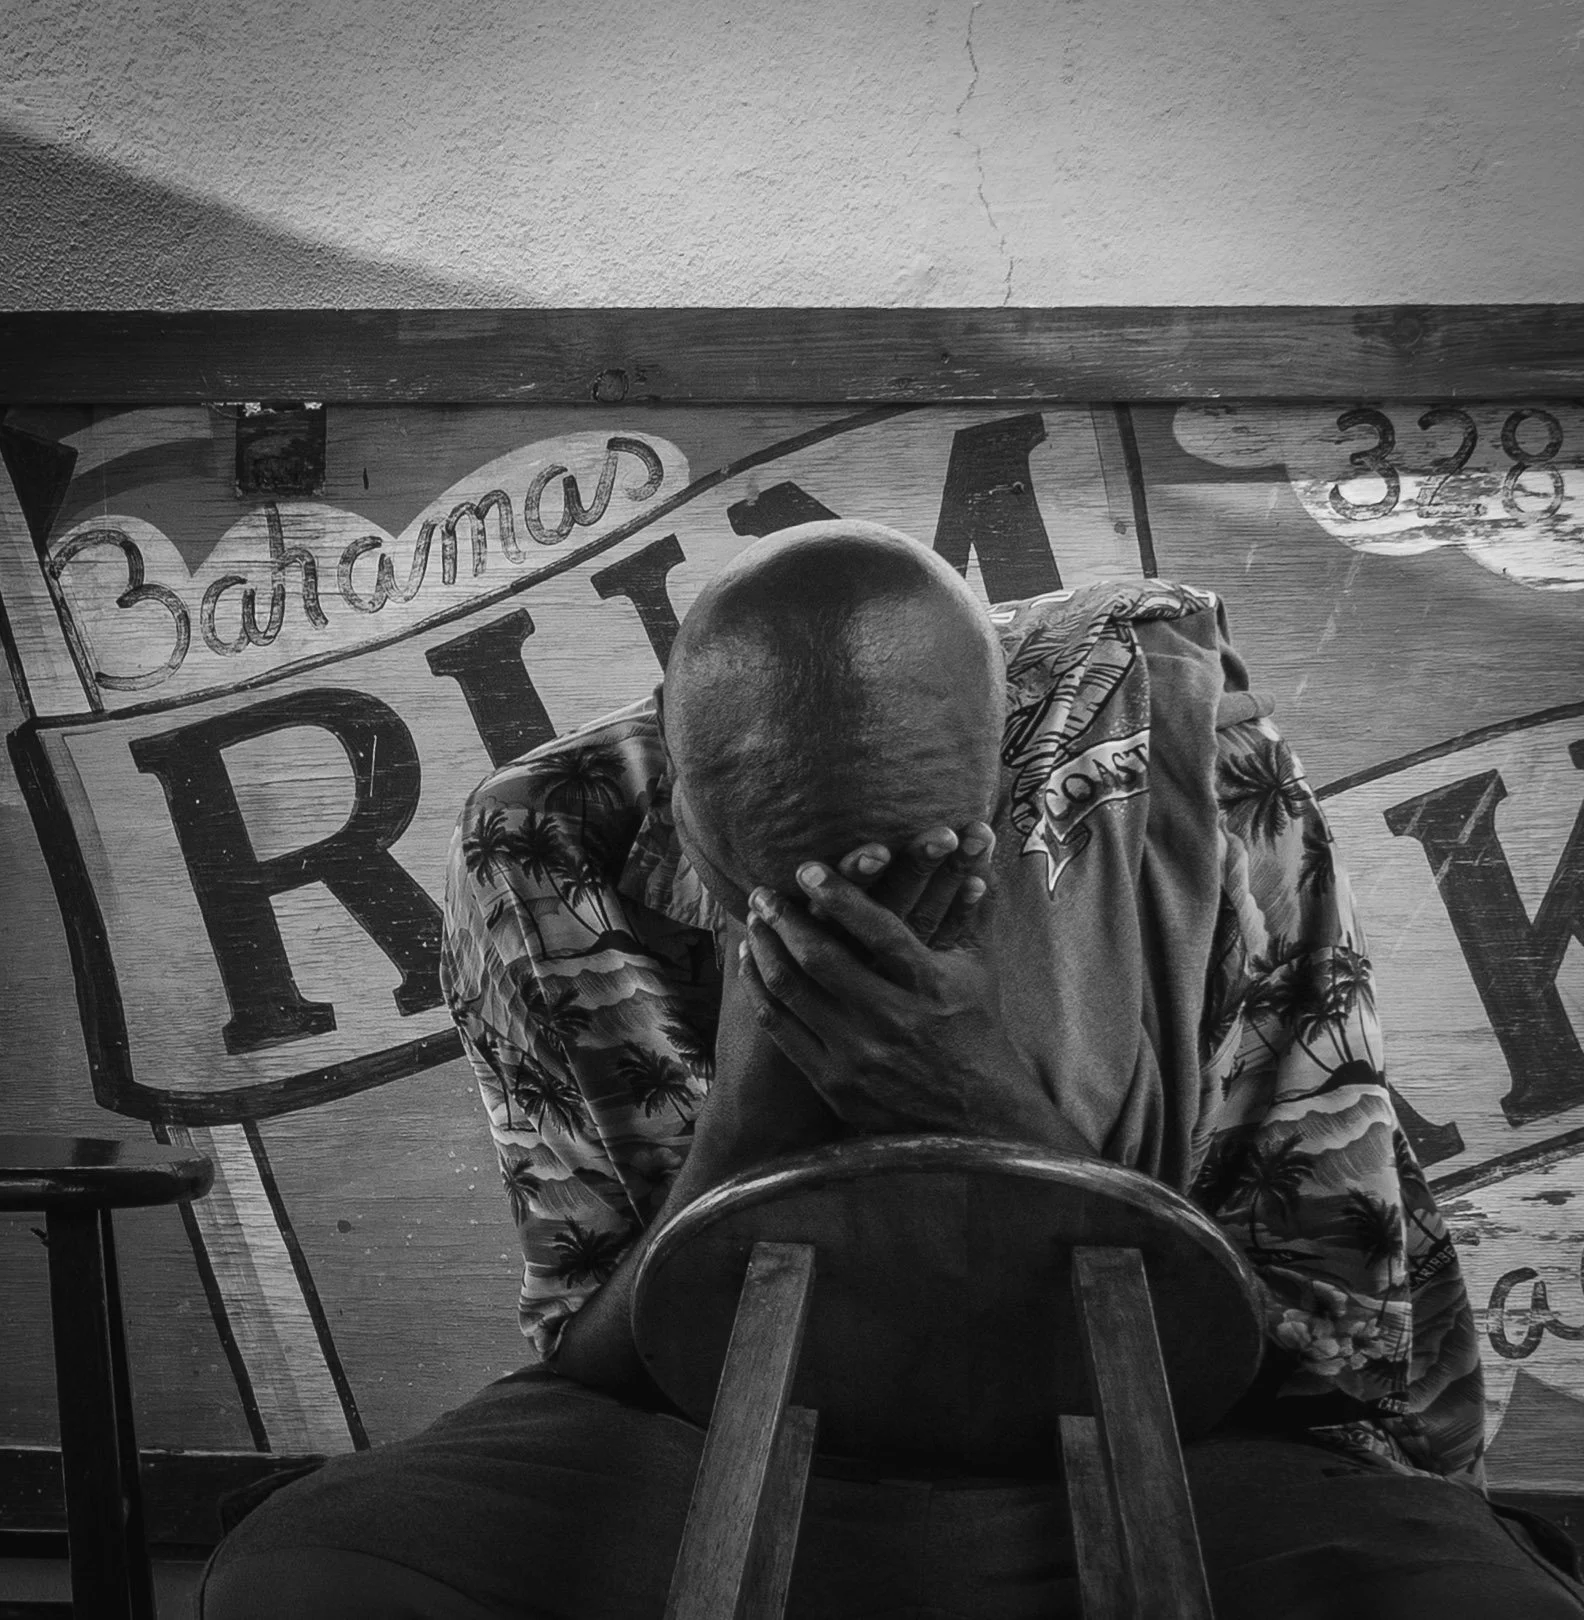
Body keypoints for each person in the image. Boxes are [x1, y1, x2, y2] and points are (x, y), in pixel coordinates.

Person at [200, 521, 1584, 1618]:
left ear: (995, 773)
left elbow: (1328, 1351)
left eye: (924, 870)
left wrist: (982, 1101)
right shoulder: (550, 842)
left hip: (1183, 1439)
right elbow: (592, 1348)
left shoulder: (1188, 773)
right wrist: (748, 1118)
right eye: (791, 894)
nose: (862, 917)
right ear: (683, 793)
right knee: (317, 1567)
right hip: (703, 1439)